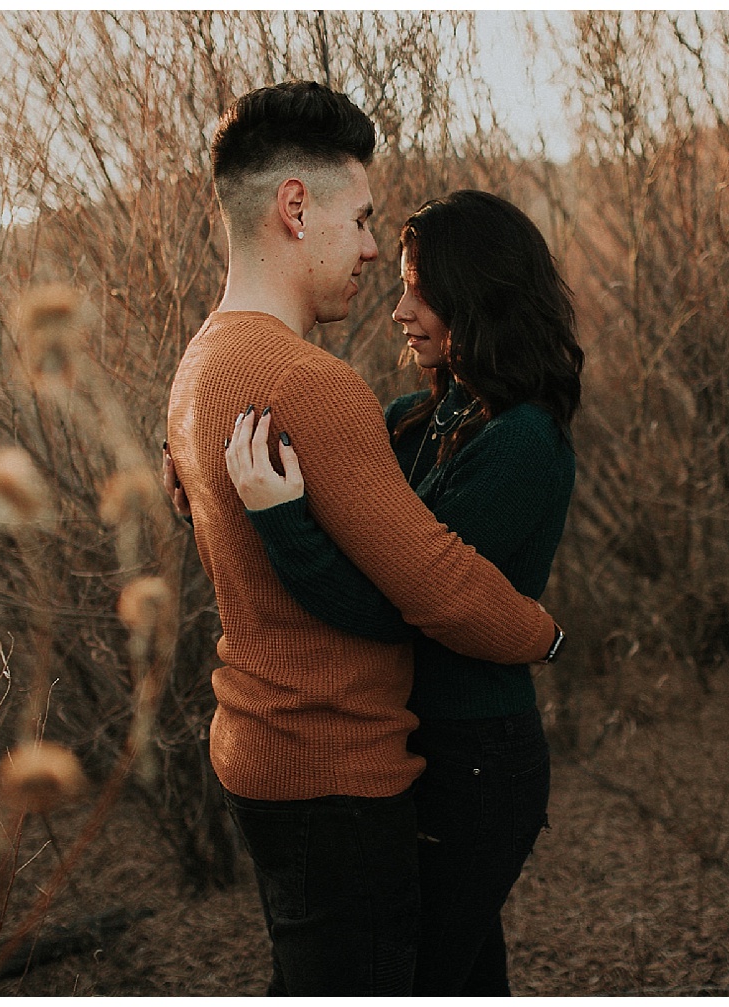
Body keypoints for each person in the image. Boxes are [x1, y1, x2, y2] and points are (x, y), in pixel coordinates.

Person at [162, 83, 564, 997]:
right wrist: (545, 634)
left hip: (261, 749)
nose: (374, 249)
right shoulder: (315, 385)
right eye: (365, 217)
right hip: (332, 770)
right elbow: (430, 586)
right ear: (296, 208)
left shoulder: (201, 365)